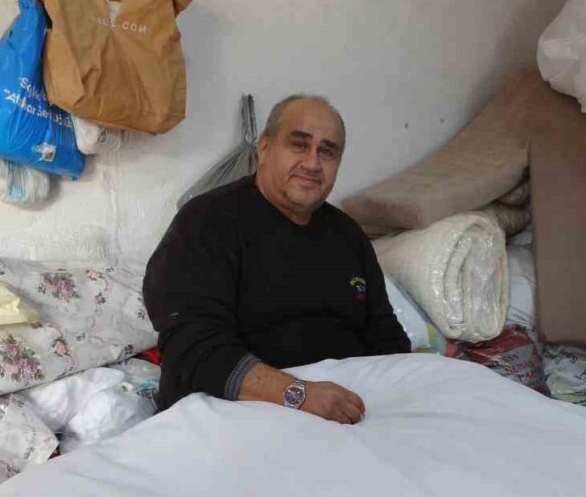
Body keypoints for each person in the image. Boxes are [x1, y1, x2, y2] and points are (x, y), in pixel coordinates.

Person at [143, 95, 410, 424]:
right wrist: (299, 395)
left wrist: (402, 396)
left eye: (327, 152)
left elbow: (385, 335)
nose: (313, 163)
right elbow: (192, 349)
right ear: (265, 148)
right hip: (234, 416)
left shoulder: (348, 235)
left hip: (343, 411)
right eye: (299, 145)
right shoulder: (205, 222)